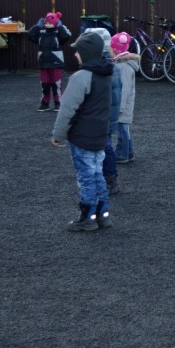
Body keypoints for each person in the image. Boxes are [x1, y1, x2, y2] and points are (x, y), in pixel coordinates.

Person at [51, 32, 114, 232]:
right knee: (97, 174)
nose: (76, 55)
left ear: (85, 53)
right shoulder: (106, 74)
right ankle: (103, 215)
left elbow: (67, 109)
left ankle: (88, 217)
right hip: (100, 134)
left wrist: (58, 134)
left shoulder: (81, 77)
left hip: (82, 136)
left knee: (86, 177)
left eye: (78, 51)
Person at [87, 28, 123, 194]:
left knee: (104, 147)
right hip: (109, 114)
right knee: (105, 145)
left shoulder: (100, 68)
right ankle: (109, 178)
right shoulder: (113, 67)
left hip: (102, 115)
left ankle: (109, 179)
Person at [26, 11, 72, 111]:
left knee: (56, 84)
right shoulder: (41, 32)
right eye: (46, 22)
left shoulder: (58, 31)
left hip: (56, 61)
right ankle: (45, 103)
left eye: (50, 23)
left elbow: (66, 36)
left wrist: (60, 26)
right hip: (43, 62)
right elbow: (30, 35)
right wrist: (37, 26)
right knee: (44, 84)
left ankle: (58, 103)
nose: (48, 24)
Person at [111, 31, 140, 164]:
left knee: (122, 129)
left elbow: (125, 90)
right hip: (123, 105)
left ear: (116, 50)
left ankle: (122, 155)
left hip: (123, 105)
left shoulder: (124, 67)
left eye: (110, 48)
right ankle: (129, 152)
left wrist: (120, 107)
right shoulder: (122, 64)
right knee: (124, 129)